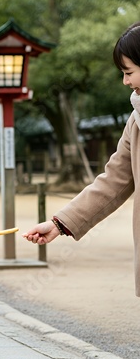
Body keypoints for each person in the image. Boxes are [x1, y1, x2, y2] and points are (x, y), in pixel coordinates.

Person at [23, 22, 140, 297]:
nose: (125, 82)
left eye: (129, 72)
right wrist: (59, 224)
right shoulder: (136, 122)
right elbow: (113, 181)